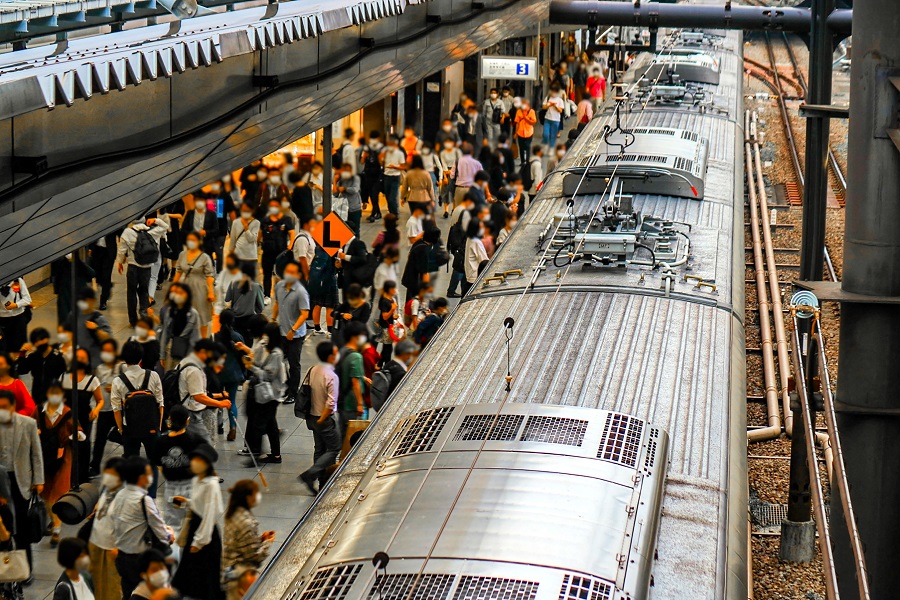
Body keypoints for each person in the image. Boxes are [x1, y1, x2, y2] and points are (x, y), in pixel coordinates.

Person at [110, 456, 173, 599]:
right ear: (140, 477)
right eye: (149, 473)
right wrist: (170, 534)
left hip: (122, 557)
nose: (151, 477)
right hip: (140, 559)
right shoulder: (144, 500)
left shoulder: (120, 495)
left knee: (127, 593)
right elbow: (161, 531)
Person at [171, 444, 224, 600]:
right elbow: (199, 504)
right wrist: (186, 502)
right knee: (191, 568)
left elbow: (209, 514)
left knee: (206, 571)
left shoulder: (211, 485)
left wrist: (200, 541)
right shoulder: (197, 480)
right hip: (195, 527)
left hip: (205, 533)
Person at [111, 341, 164, 495]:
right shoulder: (152, 376)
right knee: (152, 463)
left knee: (131, 465)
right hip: (151, 427)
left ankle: (133, 495)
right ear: (141, 358)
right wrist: (158, 427)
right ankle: (151, 496)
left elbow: (117, 409)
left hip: (130, 428)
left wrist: (121, 429)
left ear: (124, 359)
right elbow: (160, 403)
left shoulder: (118, 381)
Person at [0, 390, 42, 571]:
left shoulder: (28, 424)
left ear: (13, 406)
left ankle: (26, 570)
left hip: (21, 480)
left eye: (4, 407)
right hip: (1, 481)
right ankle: (5, 571)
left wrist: (38, 480)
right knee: (3, 528)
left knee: (23, 530)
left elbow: (36, 453)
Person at [36, 381, 82, 546]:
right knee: (46, 493)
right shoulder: (39, 411)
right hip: (42, 457)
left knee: (58, 492)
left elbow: (79, 431)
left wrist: (75, 436)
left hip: (63, 458)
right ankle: (53, 521)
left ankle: (56, 529)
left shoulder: (68, 413)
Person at [151, 405, 201, 532]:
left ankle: (175, 548)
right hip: (190, 486)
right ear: (187, 421)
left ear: (169, 420)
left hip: (172, 487)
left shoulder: (161, 441)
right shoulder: (193, 439)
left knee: (173, 522)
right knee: (192, 520)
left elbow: (159, 465)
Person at [299, 342, 340, 495]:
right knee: (334, 447)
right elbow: (331, 402)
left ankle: (321, 481)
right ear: (330, 356)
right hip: (324, 418)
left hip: (311, 415)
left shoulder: (313, 370)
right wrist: (323, 419)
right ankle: (311, 474)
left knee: (319, 448)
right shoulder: (331, 376)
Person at [223, 480, 274, 600]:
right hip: (241, 576)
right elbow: (254, 556)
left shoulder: (233, 513)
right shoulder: (247, 523)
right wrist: (267, 543)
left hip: (229, 569)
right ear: (248, 497)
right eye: (256, 493)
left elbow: (242, 542)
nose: (258, 496)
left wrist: (259, 539)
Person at [242, 323, 286, 463]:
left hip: (270, 394)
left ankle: (255, 454)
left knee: (259, 425)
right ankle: (276, 455)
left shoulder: (276, 354)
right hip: (263, 392)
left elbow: (269, 375)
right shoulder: (264, 347)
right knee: (271, 425)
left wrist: (252, 368)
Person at [177, 339, 233, 444]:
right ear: (202, 351)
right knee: (206, 445)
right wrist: (220, 403)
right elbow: (198, 396)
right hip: (191, 413)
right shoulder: (194, 370)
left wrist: (218, 396)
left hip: (184, 408)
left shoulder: (186, 361)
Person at [117, 217, 169, 327]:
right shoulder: (151, 231)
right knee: (144, 291)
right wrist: (156, 220)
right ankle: (144, 313)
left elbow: (122, 250)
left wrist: (120, 262)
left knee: (131, 293)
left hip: (133, 267)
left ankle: (133, 320)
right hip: (147, 267)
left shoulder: (127, 232)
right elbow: (166, 227)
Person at [272, 261, 310, 403]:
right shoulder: (279, 287)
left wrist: (293, 330)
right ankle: (287, 385)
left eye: (292, 272)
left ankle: (293, 393)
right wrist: (273, 319)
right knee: (280, 361)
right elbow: (276, 303)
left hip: (296, 335)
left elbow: (304, 314)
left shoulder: (301, 292)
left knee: (294, 364)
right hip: (282, 330)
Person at [87, 457, 124, 600]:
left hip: (113, 547)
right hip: (96, 542)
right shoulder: (107, 488)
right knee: (95, 582)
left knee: (112, 585)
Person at [172, 231, 216, 338]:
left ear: (199, 242)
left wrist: (210, 292)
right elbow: (178, 272)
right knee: (184, 313)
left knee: (202, 315)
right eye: (189, 240)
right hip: (185, 287)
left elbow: (209, 276)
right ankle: (186, 338)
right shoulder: (182, 255)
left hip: (200, 288)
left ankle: (203, 339)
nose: (190, 242)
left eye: (193, 240)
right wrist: (173, 288)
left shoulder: (205, 257)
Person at [215, 310, 248, 442]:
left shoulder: (216, 337)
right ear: (233, 321)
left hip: (218, 374)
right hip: (234, 373)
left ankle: (219, 426)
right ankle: (233, 427)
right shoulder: (238, 337)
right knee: (232, 401)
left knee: (218, 400)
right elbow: (243, 356)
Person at [90, 339, 122, 476]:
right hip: (104, 410)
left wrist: (115, 388)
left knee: (125, 436)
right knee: (99, 440)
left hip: (118, 410)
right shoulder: (99, 368)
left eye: (110, 350)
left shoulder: (121, 367)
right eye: (105, 351)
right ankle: (95, 466)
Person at [16, 328, 66, 408]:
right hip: (37, 398)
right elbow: (20, 370)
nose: (39, 343)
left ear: (47, 339)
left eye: (41, 340)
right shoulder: (33, 356)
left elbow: (65, 378)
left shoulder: (58, 357)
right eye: (36, 342)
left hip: (54, 397)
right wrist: (22, 354)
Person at [259, 199, 296, 301]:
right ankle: (267, 295)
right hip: (267, 252)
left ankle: (282, 294)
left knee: (281, 274)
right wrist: (258, 242)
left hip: (281, 253)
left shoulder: (286, 219)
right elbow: (260, 233)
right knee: (267, 274)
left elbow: (292, 233)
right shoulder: (265, 220)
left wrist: (290, 246)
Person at [337, 323, 366, 442]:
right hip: (351, 401)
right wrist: (359, 403)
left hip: (341, 399)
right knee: (350, 437)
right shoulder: (356, 356)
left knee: (343, 431)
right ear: (355, 337)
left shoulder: (342, 351)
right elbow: (355, 382)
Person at [224, 264, 264, 345]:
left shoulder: (233, 283)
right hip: (250, 320)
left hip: (235, 319)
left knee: (236, 344)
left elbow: (227, 299)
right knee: (247, 346)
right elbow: (261, 307)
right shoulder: (256, 286)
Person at [0, 278, 31, 356]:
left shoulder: (18, 280)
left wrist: (16, 305)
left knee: (20, 347)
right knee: (4, 348)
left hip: (18, 318)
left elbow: (27, 299)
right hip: (2, 320)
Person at [89, 233, 118, 312]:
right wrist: (89, 247)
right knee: (97, 275)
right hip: (97, 251)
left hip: (108, 252)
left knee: (106, 276)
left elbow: (120, 232)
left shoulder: (112, 222)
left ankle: (103, 302)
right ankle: (108, 286)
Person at [228, 206, 260, 277]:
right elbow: (233, 239)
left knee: (251, 280)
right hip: (238, 256)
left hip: (251, 256)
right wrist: (230, 254)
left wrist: (247, 230)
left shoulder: (256, 223)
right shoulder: (236, 222)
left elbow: (252, 239)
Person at [380, 136, 406, 217]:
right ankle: (391, 213)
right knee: (387, 197)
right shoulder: (385, 151)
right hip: (386, 176)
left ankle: (395, 213)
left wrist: (394, 167)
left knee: (392, 197)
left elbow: (403, 166)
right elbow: (380, 160)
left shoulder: (400, 153)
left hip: (395, 177)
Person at [374, 280, 400, 364]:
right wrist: (392, 309)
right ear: (389, 289)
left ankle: (380, 364)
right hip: (386, 327)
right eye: (393, 289)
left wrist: (394, 315)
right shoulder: (384, 301)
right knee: (388, 348)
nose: (395, 291)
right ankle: (385, 364)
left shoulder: (391, 299)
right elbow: (384, 317)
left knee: (387, 348)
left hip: (390, 326)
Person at [334, 163, 363, 237]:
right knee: (344, 231)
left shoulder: (355, 178)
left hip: (354, 208)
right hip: (343, 210)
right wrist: (335, 181)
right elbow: (335, 193)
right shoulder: (341, 180)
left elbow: (355, 189)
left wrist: (345, 189)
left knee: (355, 230)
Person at [463, 220, 488, 295]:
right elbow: (484, 260)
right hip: (475, 275)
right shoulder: (476, 242)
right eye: (481, 227)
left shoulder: (469, 238)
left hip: (470, 274)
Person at [438, 139, 462, 218]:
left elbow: (458, 162)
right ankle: (446, 211)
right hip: (446, 172)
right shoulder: (442, 153)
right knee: (446, 191)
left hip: (456, 171)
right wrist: (445, 176)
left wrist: (452, 171)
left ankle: (454, 209)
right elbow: (443, 164)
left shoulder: (457, 152)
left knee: (455, 191)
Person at [514, 98, 538, 166]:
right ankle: (522, 161)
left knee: (527, 146)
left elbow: (533, 122)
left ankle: (527, 161)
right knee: (521, 147)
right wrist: (516, 133)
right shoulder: (518, 111)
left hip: (529, 132)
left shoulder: (531, 112)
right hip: (520, 132)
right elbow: (517, 123)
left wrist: (526, 118)